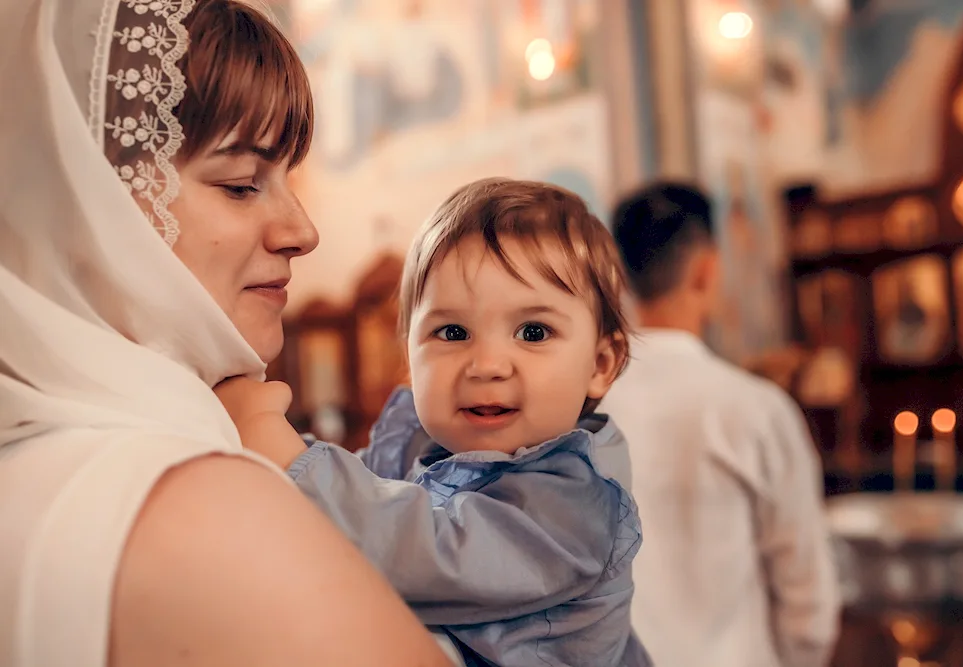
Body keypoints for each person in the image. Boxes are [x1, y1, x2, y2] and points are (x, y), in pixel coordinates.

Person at [0, 1, 458, 665]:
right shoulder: (201, 503)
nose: (302, 231)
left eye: (287, 178)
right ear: (91, 201)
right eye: (244, 184)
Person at [219, 178, 649, 666]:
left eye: (533, 332)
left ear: (599, 364)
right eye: (452, 332)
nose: (487, 364)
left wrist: (291, 459)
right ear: (408, 354)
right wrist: (281, 451)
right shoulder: (423, 449)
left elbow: (432, 553)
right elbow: (358, 490)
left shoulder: (576, 504)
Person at [600, 182, 841, 667]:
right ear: (708, 270)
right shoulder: (755, 408)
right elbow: (807, 595)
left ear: (620, 278)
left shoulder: (584, 409)